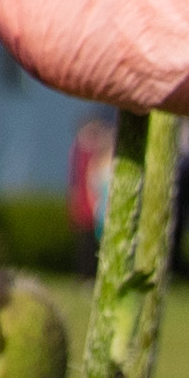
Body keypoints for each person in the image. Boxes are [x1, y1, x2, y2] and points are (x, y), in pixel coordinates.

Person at [67, 117, 116, 275]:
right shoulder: (82, 153)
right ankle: (86, 274)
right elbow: (88, 181)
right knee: (88, 243)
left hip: (99, 205)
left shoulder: (95, 154)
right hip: (93, 205)